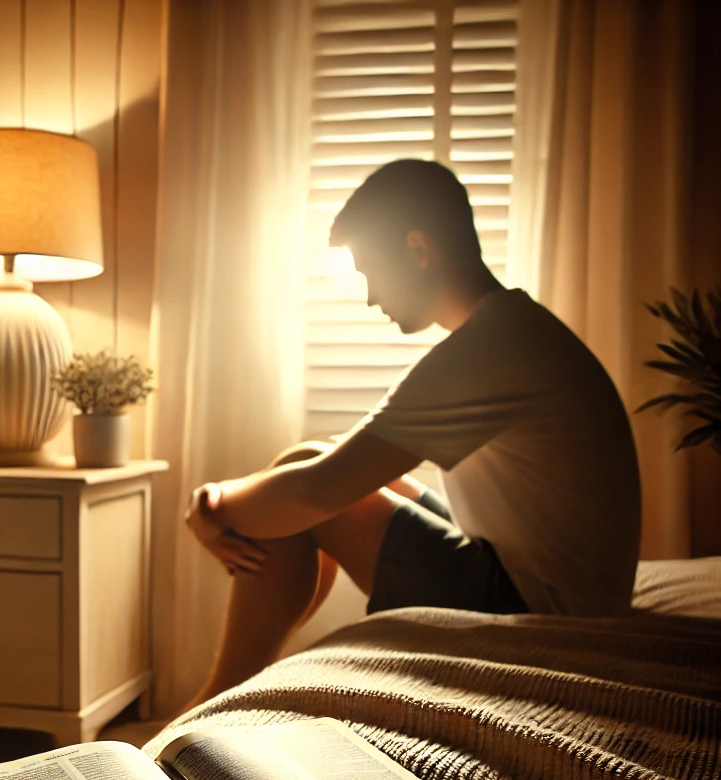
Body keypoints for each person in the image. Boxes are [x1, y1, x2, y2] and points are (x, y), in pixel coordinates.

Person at [181, 159, 641, 713]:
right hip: (531, 573)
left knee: (309, 497)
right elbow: (323, 470)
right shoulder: (508, 330)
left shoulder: (490, 351)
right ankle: (234, 690)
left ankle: (213, 702)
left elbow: (316, 494)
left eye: (369, 269)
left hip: (545, 616)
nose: (370, 295)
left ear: (419, 250)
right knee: (309, 457)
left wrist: (211, 509)